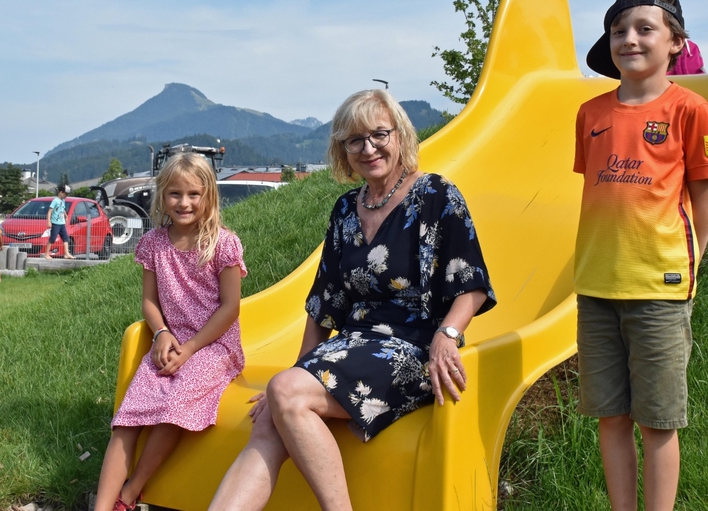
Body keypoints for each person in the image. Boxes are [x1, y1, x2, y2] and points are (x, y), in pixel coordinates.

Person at [209, 89, 496, 511]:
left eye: (379, 134)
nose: (369, 148)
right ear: (343, 150)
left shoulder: (436, 195)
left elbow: (469, 281)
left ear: (400, 136)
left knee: (284, 394)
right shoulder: (346, 209)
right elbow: (325, 300)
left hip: (412, 348)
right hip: (352, 345)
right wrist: (300, 368)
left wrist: (448, 334)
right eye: (354, 140)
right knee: (273, 413)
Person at [580, 0, 708, 510]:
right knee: (611, 416)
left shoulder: (691, 109)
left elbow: (705, 197)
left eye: (645, 28)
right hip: (595, 285)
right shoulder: (590, 113)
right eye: (619, 30)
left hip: (658, 288)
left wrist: (690, 261)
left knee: (658, 420)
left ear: (675, 41)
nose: (629, 39)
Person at [94, 153, 248, 511]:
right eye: (175, 194)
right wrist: (161, 332)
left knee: (175, 405)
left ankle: (130, 494)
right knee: (127, 418)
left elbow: (231, 308)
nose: (185, 203)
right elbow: (149, 301)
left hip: (214, 346)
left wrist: (192, 347)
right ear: (163, 197)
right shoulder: (153, 244)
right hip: (171, 340)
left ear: (209, 196)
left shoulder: (223, 243)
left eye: (194, 194)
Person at [43, 185, 75, 260]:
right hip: (55, 223)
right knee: (52, 238)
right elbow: (50, 211)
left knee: (65, 238)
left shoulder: (63, 200)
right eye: (65, 194)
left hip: (62, 223)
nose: (66, 196)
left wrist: (66, 215)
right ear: (61, 192)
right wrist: (49, 221)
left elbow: (62, 209)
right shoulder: (55, 201)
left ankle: (66, 254)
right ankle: (46, 254)